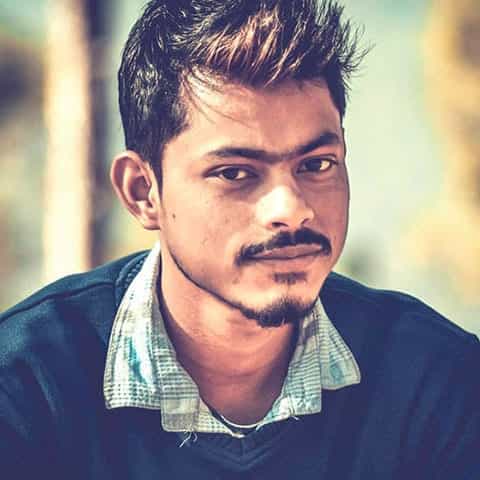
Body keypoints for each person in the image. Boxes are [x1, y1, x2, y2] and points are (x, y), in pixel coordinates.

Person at [1, 1, 479, 478]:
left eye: (316, 165)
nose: (291, 208)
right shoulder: (27, 386)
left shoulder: (437, 381)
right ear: (143, 191)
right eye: (234, 172)